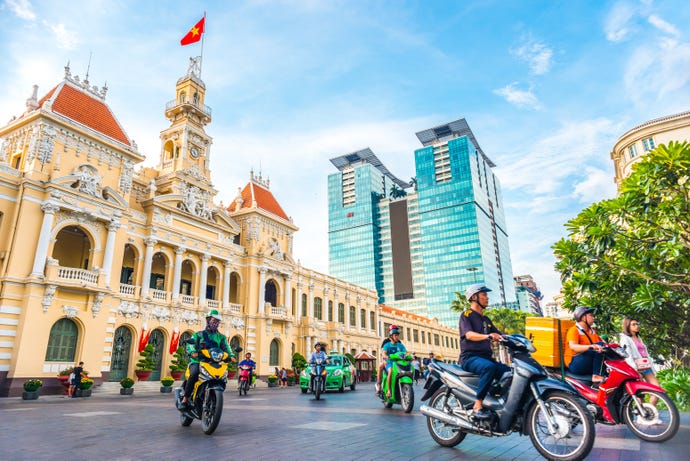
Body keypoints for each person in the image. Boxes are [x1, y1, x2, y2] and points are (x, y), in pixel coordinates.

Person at [458, 284, 511, 420]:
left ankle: (494, 398)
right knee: (489, 367)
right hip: (470, 357)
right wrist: (488, 336)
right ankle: (477, 405)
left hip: (486, 358)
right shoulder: (466, 315)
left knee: (509, 372)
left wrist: (517, 340)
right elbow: (469, 335)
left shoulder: (486, 320)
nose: (487, 298)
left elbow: (500, 335)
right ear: (474, 297)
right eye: (484, 295)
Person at [181, 309, 235, 408]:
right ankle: (185, 398)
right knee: (194, 374)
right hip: (198, 361)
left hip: (213, 362)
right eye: (214, 320)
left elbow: (226, 347)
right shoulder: (199, 334)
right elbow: (191, 344)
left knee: (221, 376)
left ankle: (213, 398)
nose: (216, 323)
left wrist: (231, 356)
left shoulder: (221, 337)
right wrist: (193, 352)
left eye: (218, 321)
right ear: (208, 320)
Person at [619, 317, 660, 404]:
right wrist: (635, 370)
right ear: (627, 326)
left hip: (646, 366)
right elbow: (628, 356)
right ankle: (641, 414)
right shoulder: (625, 338)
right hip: (636, 368)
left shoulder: (638, 337)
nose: (636, 326)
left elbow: (645, 353)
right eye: (633, 324)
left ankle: (649, 412)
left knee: (657, 390)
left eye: (637, 324)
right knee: (640, 394)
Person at [564, 306, 605, 383]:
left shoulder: (591, 331)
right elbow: (573, 346)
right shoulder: (574, 330)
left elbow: (603, 344)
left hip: (587, 361)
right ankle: (596, 375)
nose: (593, 318)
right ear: (583, 317)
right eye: (591, 315)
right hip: (575, 363)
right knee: (600, 345)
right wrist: (591, 346)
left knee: (605, 348)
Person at [381, 326, 407, 399]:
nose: (397, 337)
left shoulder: (400, 345)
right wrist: (386, 356)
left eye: (397, 335)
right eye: (395, 335)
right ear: (391, 336)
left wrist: (410, 356)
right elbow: (383, 353)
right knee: (390, 371)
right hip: (390, 363)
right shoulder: (387, 345)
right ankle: (389, 390)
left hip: (399, 363)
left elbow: (405, 352)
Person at [375, 325, 395, 395]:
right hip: (387, 360)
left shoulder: (399, 342)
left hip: (397, 362)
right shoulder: (386, 341)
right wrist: (385, 358)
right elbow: (383, 352)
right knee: (380, 366)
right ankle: (379, 386)